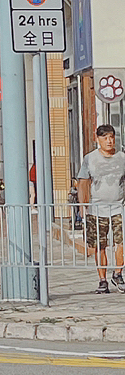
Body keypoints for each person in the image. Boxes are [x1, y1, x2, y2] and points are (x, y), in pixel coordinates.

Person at [77, 124, 125, 294]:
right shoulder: (90, 159)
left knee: (122, 242)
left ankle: (118, 273)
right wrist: (83, 206)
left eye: (111, 137)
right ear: (97, 139)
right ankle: (102, 280)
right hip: (96, 209)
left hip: (119, 207)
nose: (109, 141)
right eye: (105, 137)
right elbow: (82, 183)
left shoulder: (122, 157)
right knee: (99, 245)